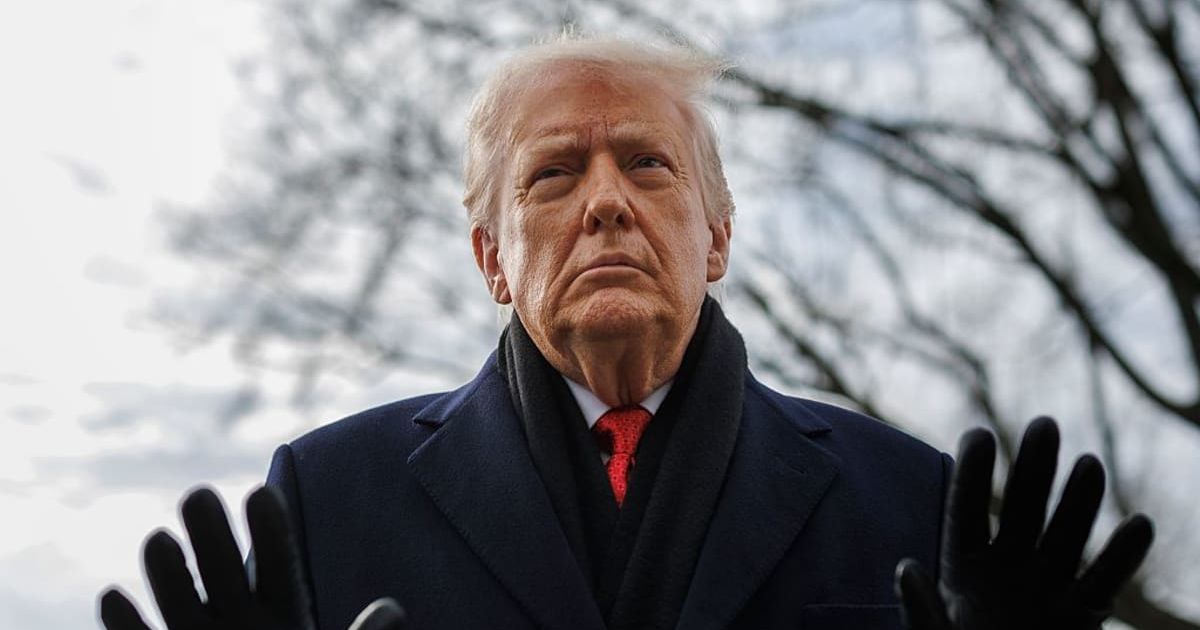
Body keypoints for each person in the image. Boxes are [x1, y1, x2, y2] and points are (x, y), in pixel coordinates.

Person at [98, 35, 1153, 630]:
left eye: (648, 164)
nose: (606, 201)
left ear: (717, 238)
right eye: (554, 174)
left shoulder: (913, 502)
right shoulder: (329, 501)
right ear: (491, 262)